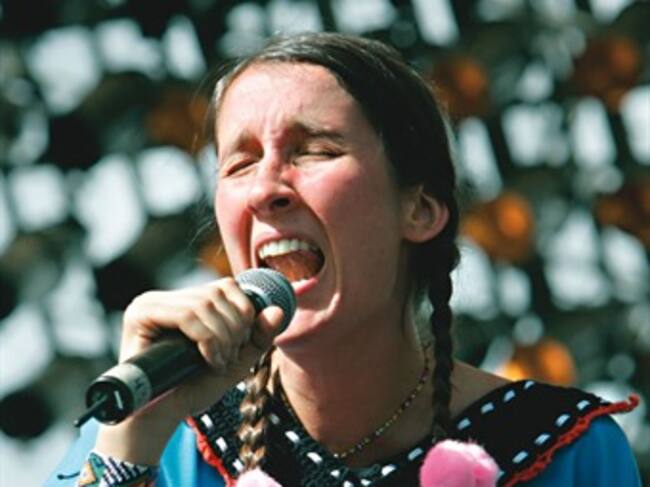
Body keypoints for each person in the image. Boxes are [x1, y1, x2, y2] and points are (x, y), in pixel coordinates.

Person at [48, 32, 641, 487]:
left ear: (420, 211)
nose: (265, 189)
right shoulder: (158, 436)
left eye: (315, 150)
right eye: (240, 164)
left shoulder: (563, 452)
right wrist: (130, 443)